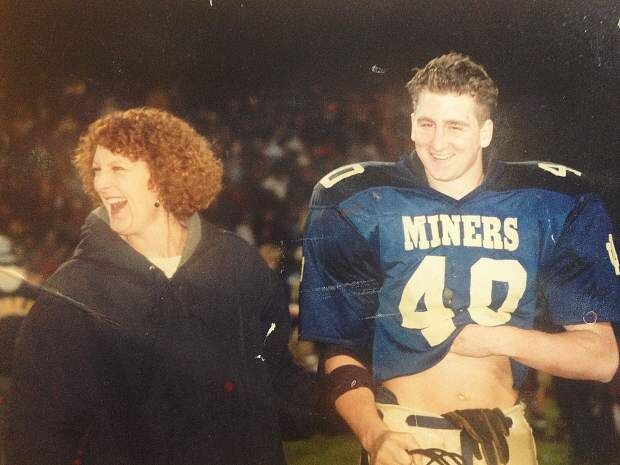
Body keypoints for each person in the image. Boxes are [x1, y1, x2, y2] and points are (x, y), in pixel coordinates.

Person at [299, 52, 619, 465]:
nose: (437, 143)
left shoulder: (549, 201)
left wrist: (495, 338)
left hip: (507, 437)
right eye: (426, 124)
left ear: (486, 132)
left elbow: (601, 358)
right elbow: (340, 352)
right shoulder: (358, 200)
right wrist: (374, 434)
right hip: (406, 437)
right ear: (411, 121)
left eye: (455, 126)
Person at [6, 107, 303, 465]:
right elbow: (38, 433)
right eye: (97, 170)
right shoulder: (73, 292)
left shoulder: (237, 263)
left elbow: (275, 378)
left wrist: (357, 402)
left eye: (117, 169)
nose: (101, 183)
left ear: (165, 173)